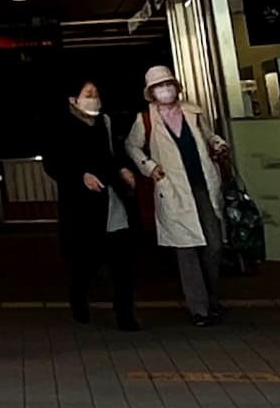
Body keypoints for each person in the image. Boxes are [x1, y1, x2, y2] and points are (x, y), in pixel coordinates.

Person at [123, 67, 234, 325]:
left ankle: (212, 299)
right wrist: (149, 167)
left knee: (214, 245)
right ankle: (200, 309)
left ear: (176, 85)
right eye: (159, 86)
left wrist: (218, 144)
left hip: (202, 185)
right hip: (173, 189)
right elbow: (131, 145)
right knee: (186, 251)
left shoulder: (193, 112)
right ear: (151, 92)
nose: (165, 89)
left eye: (168, 84)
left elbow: (208, 136)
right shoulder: (146, 119)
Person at [50, 77, 139, 328]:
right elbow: (54, 162)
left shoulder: (105, 122)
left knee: (122, 261)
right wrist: (81, 175)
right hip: (83, 206)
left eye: (96, 92)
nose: (94, 97)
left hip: (112, 198)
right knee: (86, 262)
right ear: (73, 99)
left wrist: (123, 169)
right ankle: (78, 299)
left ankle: (125, 314)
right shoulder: (62, 125)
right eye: (88, 93)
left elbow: (114, 154)